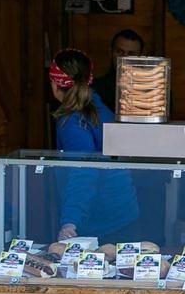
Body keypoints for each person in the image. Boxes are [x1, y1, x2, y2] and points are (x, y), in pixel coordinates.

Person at [49, 48, 139, 242]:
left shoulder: (72, 122)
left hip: (99, 221)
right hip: (123, 212)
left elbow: (84, 171)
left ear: (55, 85)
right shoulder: (101, 109)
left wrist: (70, 222)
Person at [92, 29, 144, 113]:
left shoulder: (151, 91)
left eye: (131, 54)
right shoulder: (95, 89)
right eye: (119, 52)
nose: (124, 58)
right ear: (111, 53)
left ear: (140, 58)